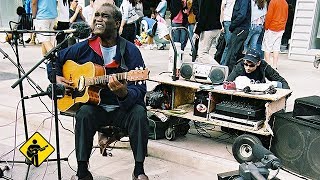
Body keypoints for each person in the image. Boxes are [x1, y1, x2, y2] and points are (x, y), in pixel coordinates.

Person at [50, 3, 149, 180]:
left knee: (140, 113)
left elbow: (140, 89)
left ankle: (139, 170)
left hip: (121, 109)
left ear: (117, 23)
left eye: (105, 16)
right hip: (96, 107)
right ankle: (82, 172)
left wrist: (124, 94)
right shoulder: (85, 47)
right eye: (96, 15)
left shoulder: (131, 50)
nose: (98, 19)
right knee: (83, 114)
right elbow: (56, 59)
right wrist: (56, 77)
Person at [224, 0, 251, 73]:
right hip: (239, 28)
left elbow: (242, 15)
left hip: (240, 28)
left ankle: (230, 75)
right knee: (236, 54)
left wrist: (233, 25)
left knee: (232, 54)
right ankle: (234, 73)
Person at [262, 0, 288, 69]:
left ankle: (268, 66)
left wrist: (266, 27)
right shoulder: (285, 2)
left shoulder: (273, 1)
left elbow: (269, 16)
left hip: (272, 28)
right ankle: (275, 66)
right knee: (276, 48)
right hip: (281, 28)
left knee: (267, 47)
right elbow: (286, 16)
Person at [219, 0, 235, 65]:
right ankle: (223, 64)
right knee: (229, 44)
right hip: (227, 20)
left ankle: (225, 63)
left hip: (234, 21)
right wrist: (221, 24)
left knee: (230, 45)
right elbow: (222, 8)